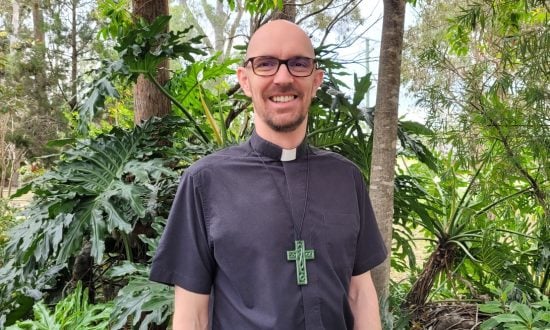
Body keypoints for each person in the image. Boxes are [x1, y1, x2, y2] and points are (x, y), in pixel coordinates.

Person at [150, 19, 387, 329]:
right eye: (266, 64)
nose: (283, 77)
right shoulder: (204, 182)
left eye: (298, 64)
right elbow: (192, 314)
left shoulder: (347, 179)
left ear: (316, 80)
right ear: (245, 80)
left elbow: (360, 294)